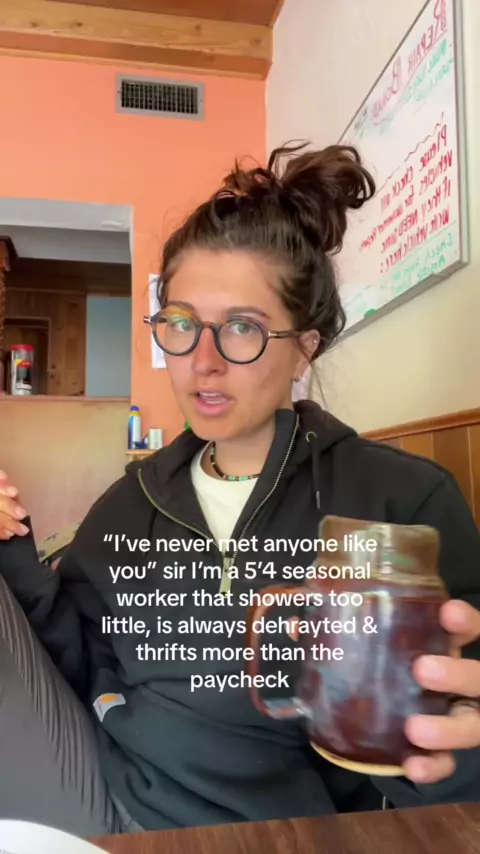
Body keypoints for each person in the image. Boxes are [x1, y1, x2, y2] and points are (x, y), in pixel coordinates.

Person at [1, 143, 480, 839]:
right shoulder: (130, 505)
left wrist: (460, 754)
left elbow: (449, 730)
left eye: (242, 328)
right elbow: (76, 657)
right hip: (128, 812)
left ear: (305, 346)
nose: (202, 361)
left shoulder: (400, 501)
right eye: (181, 323)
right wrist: (10, 540)